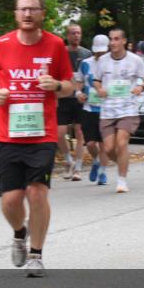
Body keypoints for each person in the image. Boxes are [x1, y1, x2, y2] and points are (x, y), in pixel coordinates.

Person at [0, 0, 72, 277]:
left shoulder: (56, 45)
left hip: (42, 134)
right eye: (23, 9)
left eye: (33, 9)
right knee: (10, 200)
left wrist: (56, 85)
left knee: (36, 192)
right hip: (7, 134)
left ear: (43, 13)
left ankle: (36, 254)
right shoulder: (1, 44)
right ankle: (19, 232)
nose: (28, 14)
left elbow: (70, 85)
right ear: (16, 13)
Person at [91, 27, 144, 193]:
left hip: (128, 109)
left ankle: (122, 180)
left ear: (124, 41)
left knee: (121, 142)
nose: (113, 42)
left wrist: (141, 87)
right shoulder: (103, 60)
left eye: (117, 39)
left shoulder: (134, 60)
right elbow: (96, 80)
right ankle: (122, 162)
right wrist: (99, 89)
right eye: (111, 39)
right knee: (109, 148)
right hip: (108, 110)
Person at [74, 34, 110, 185]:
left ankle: (102, 171)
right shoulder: (85, 63)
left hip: (107, 109)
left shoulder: (112, 64)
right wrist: (78, 93)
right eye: (97, 52)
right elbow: (78, 81)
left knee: (104, 144)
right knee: (90, 143)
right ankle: (96, 161)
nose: (100, 54)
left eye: (102, 52)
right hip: (89, 108)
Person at [57, 23, 91, 180]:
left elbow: (91, 75)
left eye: (78, 33)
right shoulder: (60, 52)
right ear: (67, 35)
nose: (76, 35)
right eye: (73, 33)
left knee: (79, 132)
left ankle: (78, 167)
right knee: (59, 133)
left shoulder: (87, 54)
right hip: (63, 97)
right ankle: (68, 161)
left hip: (80, 98)